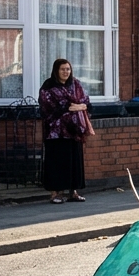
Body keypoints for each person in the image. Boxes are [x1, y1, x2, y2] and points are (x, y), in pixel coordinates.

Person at [39, 58, 95, 204]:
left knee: (74, 162)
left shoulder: (75, 84)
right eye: (62, 69)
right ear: (56, 70)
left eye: (68, 69)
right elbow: (48, 107)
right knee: (57, 162)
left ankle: (73, 192)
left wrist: (78, 106)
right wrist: (73, 106)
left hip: (74, 130)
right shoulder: (48, 86)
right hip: (56, 132)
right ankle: (55, 194)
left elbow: (86, 102)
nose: (66, 72)